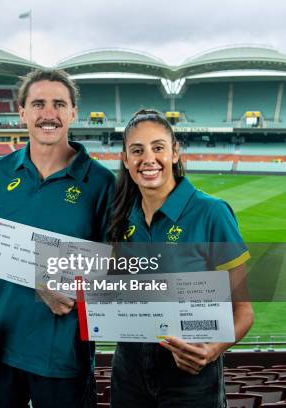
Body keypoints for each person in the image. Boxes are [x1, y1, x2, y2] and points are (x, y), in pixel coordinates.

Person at [0, 69, 115, 408]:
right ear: (21, 112)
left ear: (73, 112)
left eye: (58, 104)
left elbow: (116, 266)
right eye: (38, 104)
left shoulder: (101, 183)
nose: (48, 114)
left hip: (63, 356)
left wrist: (66, 281)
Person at [107, 109, 254, 407]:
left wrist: (211, 350)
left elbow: (244, 313)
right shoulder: (120, 216)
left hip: (190, 377)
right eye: (137, 150)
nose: (148, 158)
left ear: (175, 152)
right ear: (125, 160)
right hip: (128, 370)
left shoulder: (211, 213)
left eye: (158, 147)